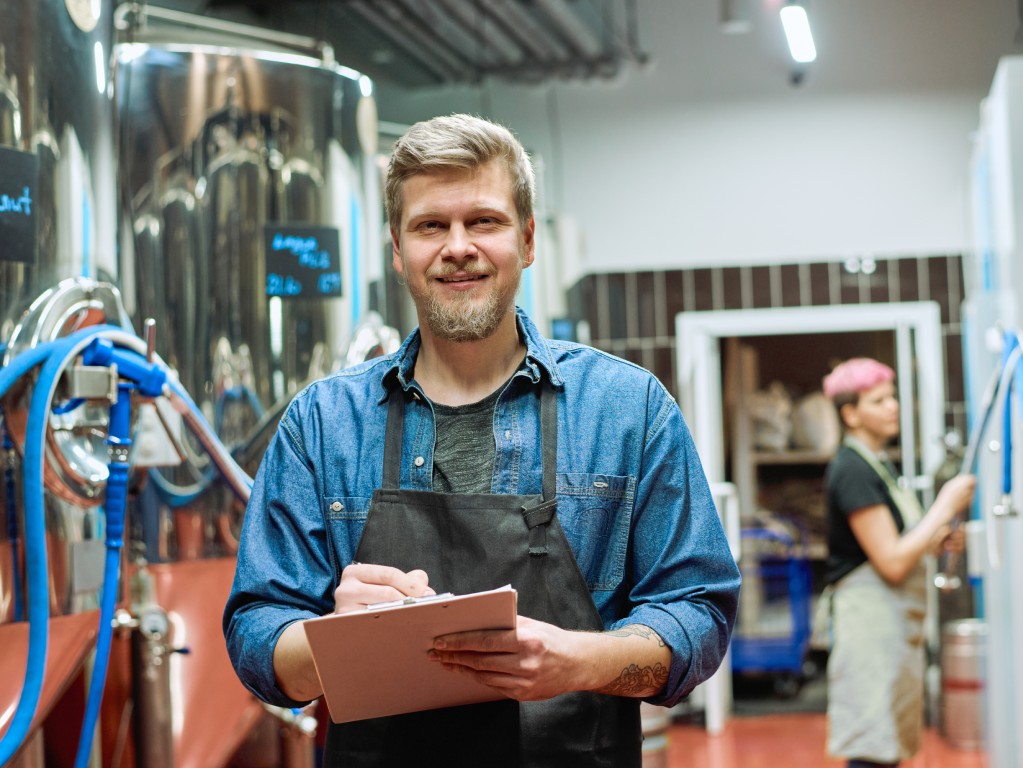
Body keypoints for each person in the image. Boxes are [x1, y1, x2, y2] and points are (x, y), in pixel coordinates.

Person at [223, 113, 741, 767]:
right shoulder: (323, 424)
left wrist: (580, 660)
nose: (458, 246)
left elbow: (698, 611)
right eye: (430, 225)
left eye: (484, 221)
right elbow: (255, 636)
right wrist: (332, 639)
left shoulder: (628, 410)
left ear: (527, 239)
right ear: (396, 250)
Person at [821, 358, 976, 768]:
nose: (893, 407)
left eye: (893, 397)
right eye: (878, 400)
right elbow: (889, 561)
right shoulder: (851, 470)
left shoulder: (877, 464)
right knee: (872, 746)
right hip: (870, 626)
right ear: (850, 413)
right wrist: (944, 506)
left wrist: (935, 539)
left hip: (890, 627)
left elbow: (897, 544)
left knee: (889, 743)